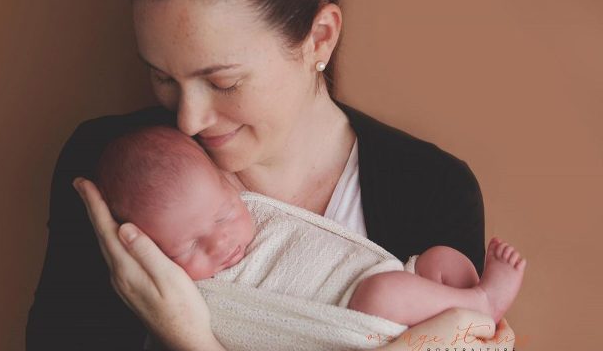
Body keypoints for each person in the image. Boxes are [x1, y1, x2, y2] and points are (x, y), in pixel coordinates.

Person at [26, 0, 514, 351]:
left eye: (224, 82)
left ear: (320, 38)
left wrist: (194, 342)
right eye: (162, 77)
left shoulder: (429, 188)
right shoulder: (121, 168)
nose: (187, 119)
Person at [96, 125, 525, 329]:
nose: (221, 241)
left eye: (225, 215)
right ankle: (480, 306)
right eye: (186, 248)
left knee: (439, 259)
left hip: (405, 294)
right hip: (361, 325)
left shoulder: (436, 182)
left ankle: (476, 309)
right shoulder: (200, 298)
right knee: (381, 293)